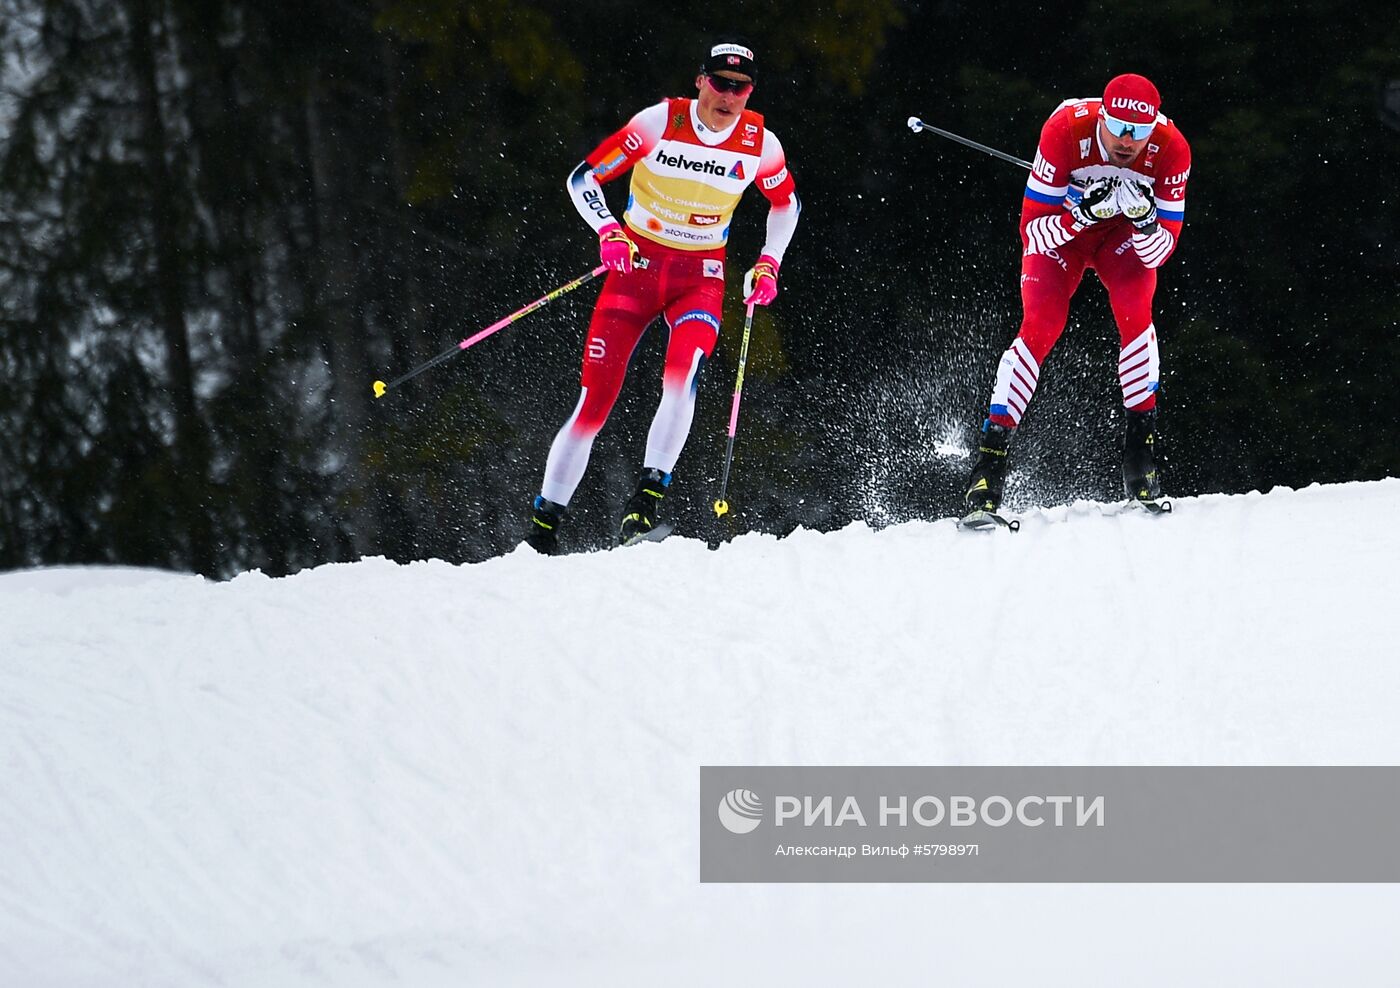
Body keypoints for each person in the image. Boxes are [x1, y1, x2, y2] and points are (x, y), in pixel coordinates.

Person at [524, 40, 800, 554]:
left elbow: (786, 205)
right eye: (719, 82)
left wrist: (768, 262)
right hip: (635, 272)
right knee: (594, 403)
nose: (728, 95)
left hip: (701, 275)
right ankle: (543, 527)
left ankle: (644, 506)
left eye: (739, 87)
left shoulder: (762, 143)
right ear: (700, 81)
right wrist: (608, 231)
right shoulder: (658, 123)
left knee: (683, 374)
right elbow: (583, 178)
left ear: (750, 92)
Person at [963, 73, 1191, 518]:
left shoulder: (1173, 149)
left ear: (1154, 127)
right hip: (1065, 235)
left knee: (1135, 314)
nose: (1127, 142)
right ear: (1102, 117)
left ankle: (1139, 460)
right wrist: (1083, 214)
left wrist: (1144, 220)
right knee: (1041, 327)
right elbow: (1034, 233)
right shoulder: (1065, 130)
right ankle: (988, 467)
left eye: (1139, 133)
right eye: (1119, 128)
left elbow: (1161, 253)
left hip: (1121, 238)